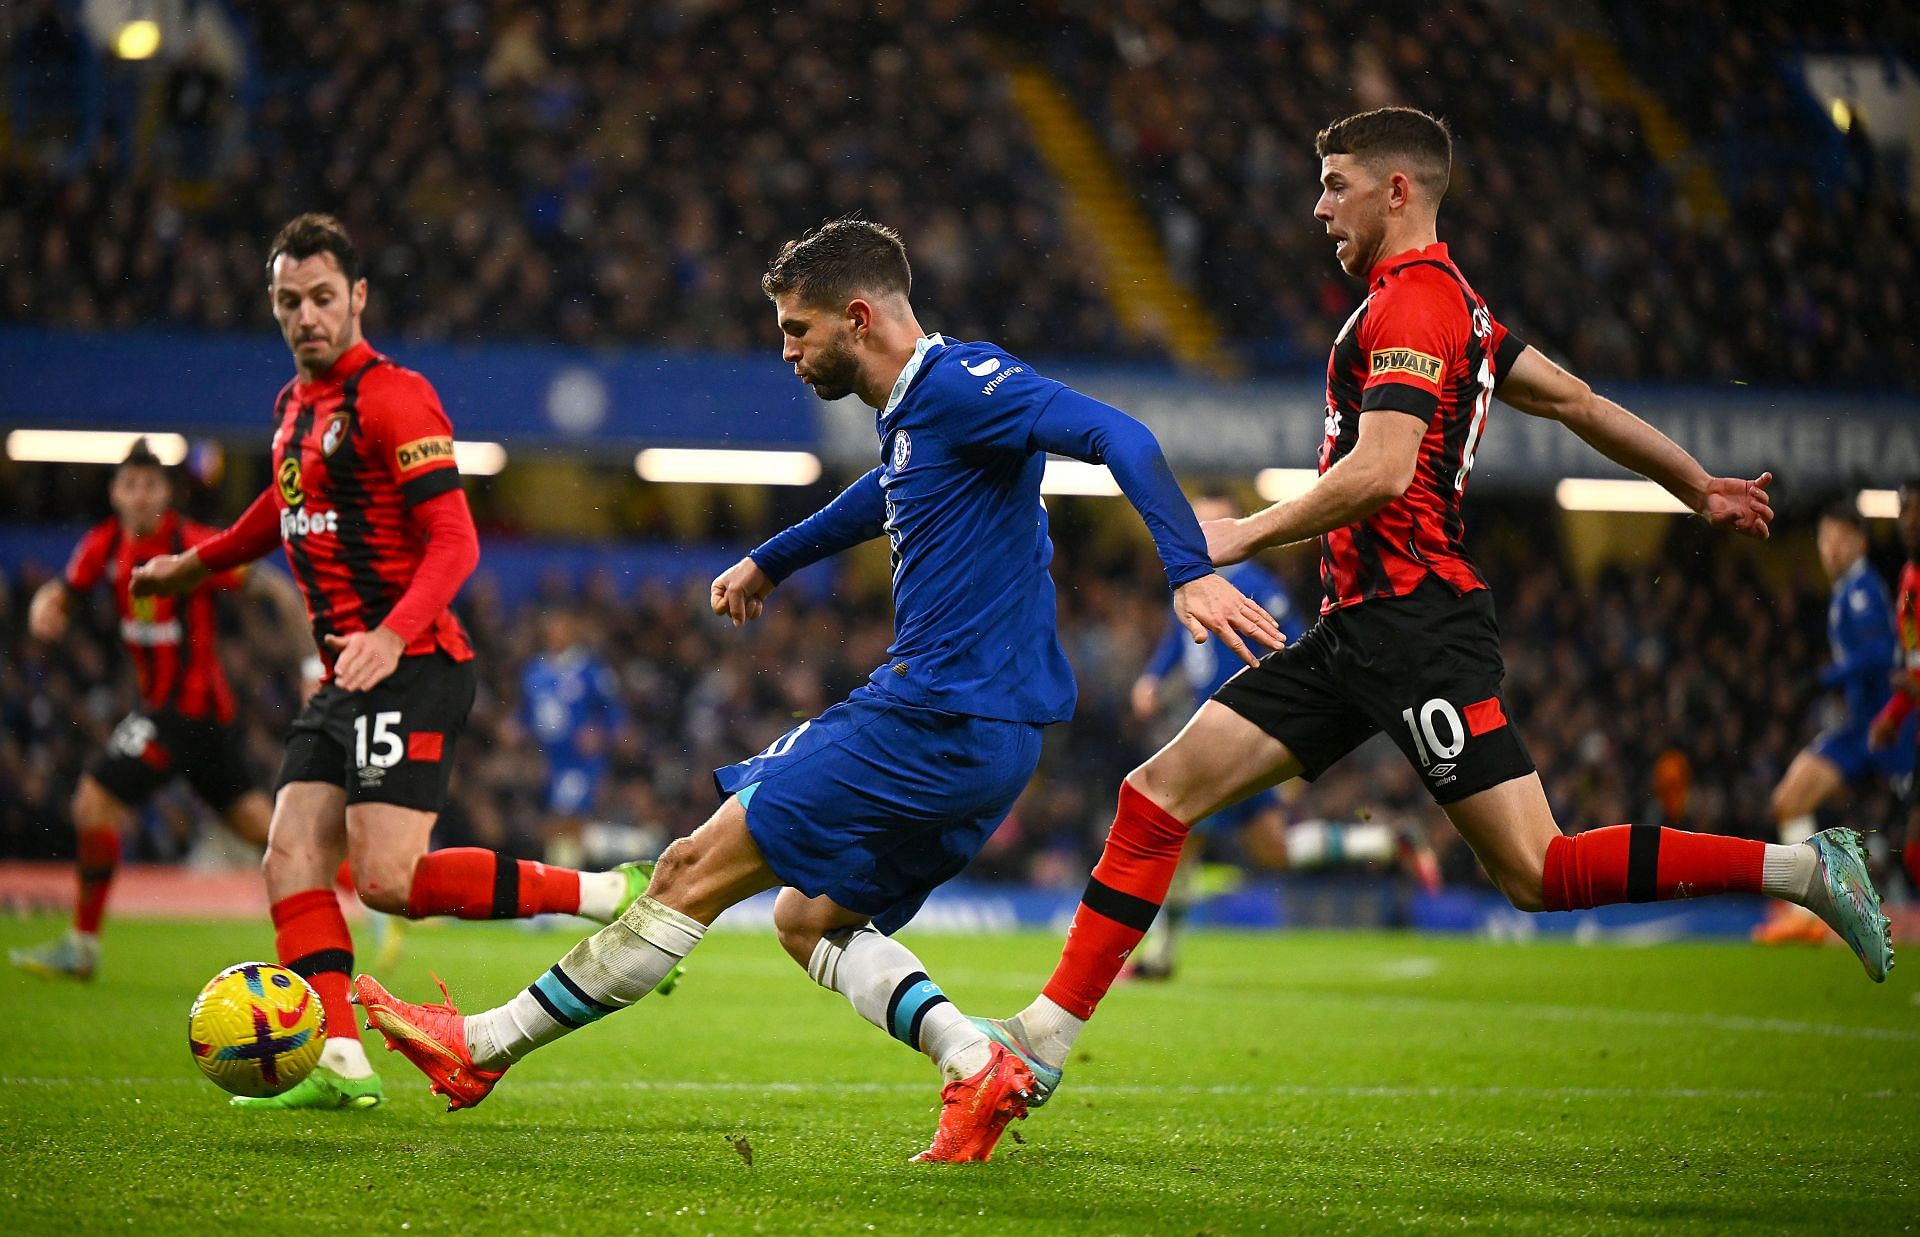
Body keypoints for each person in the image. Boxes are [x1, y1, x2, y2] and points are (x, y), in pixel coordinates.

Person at [947, 107, 1892, 1158]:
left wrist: (1240, 533)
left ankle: (1808, 871)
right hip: (1358, 631)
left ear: (1398, 190)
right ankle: (1041, 1039)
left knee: (1541, 872)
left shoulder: (1417, 306)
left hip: (1418, 629)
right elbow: (1576, 401)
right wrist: (1695, 483)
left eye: (1336, 183)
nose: (1319, 206)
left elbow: (1387, 468)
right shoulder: (1459, 309)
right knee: (1155, 794)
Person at [351, 218, 1282, 1162]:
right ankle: (974, 1063)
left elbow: (1117, 432)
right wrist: (772, 557)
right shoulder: (922, 414)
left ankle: (481, 1047)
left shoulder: (965, 384)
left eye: (798, 329)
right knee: (808, 920)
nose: (786, 349)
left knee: (685, 872)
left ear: (859, 316)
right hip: (992, 738)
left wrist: (1186, 567)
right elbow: (888, 488)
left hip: (932, 716)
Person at [132, 214, 650, 1110]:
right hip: (346, 672)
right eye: (289, 301)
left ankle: (604, 890)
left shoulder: (395, 398)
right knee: (288, 857)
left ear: (358, 297)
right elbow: (282, 502)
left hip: (412, 663)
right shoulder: (296, 407)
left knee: (387, 882)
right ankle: (337, 1055)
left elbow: (455, 539)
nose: (307, 316)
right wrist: (197, 562)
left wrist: (390, 633)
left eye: (323, 298)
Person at [10, 440, 307, 981]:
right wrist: (41, 610)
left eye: (151, 485)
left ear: (167, 493)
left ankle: (82, 946)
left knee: (93, 804)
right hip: (199, 724)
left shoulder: (190, 545)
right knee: (271, 840)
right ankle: (365, 895)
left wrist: (310, 668)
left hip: (185, 714)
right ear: (115, 493)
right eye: (130, 485)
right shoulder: (103, 545)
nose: (141, 496)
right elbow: (62, 593)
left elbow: (277, 593)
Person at [1755, 499, 1913, 943]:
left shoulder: (1861, 591)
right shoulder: (1851, 590)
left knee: (1792, 801)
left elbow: (1882, 655)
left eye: (1840, 540)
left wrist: (1825, 677)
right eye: (1825, 541)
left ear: (1860, 541)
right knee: (1789, 801)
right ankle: (1806, 913)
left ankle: (1813, 909)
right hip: (1862, 730)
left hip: (1880, 731)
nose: (1831, 550)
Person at [1867, 479, 1920, 895]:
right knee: (1914, 852)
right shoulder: (1908, 578)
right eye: (1905, 511)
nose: (1911, 521)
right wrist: (1895, 713)